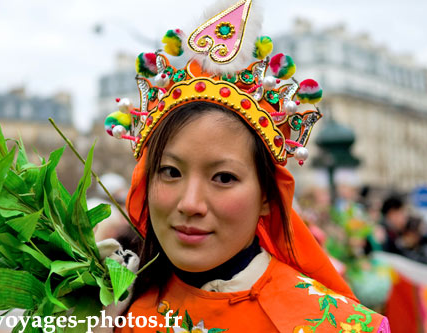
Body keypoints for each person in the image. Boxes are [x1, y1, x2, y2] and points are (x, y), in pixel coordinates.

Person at [105, 1, 390, 331]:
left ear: (267, 196)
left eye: (223, 177)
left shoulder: (337, 325)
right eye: (171, 172)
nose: (190, 204)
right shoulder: (111, 311)